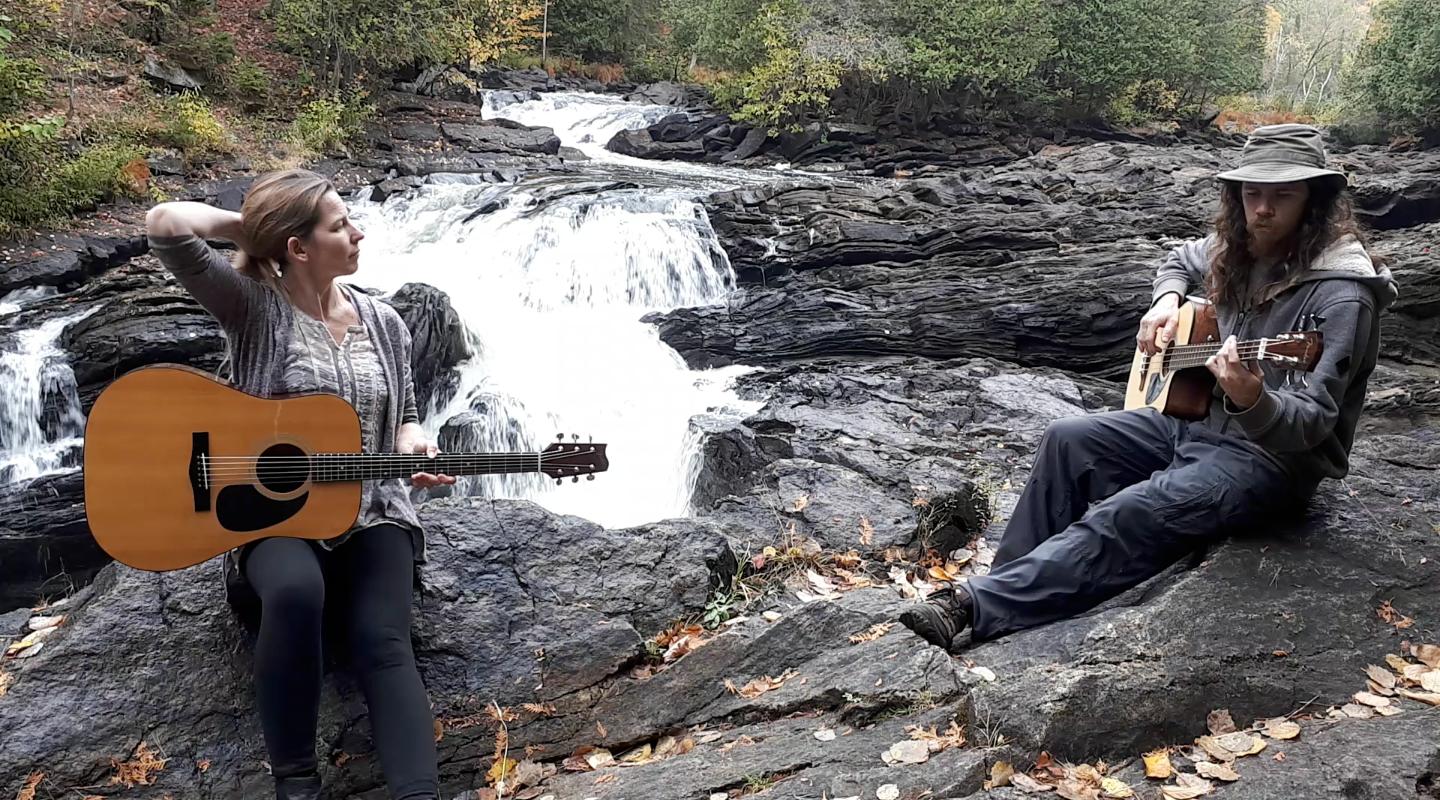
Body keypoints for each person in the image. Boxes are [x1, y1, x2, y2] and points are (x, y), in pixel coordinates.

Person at [899, 123, 1398, 649]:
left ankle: (971, 607)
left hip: (1269, 463)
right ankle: (1007, 586)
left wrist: (1252, 397)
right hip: (1194, 422)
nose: (1263, 210)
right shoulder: (1241, 248)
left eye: (1282, 196)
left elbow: (1314, 422)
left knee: (1132, 511)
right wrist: (1165, 302)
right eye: (1252, 194)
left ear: (1315, 200)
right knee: (1067, 439)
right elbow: (1180, 260)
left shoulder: (1344, 294)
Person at [145, 169, 457, 800]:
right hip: (272, 513)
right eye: (340, 225)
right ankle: (295, 782)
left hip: (374, 510)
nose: (358, 232)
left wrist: (417, 446)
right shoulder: (250, 305)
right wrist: (253, 228)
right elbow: (165, 225)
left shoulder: (385, 321)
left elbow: (405, 418)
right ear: (298, 247)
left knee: (383, 641)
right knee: (293, 592)